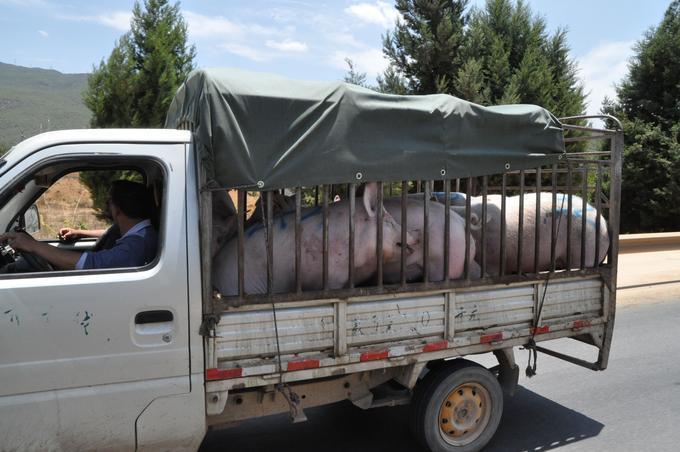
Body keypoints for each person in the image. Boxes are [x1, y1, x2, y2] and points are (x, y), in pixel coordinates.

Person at [0, 180, 158, 271]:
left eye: (109, 201)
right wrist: (79, 232)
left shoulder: (135, 247)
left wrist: (33, 245)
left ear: (117, 210)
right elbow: (108, 232)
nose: (106, 205)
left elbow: (89, 263)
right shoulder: (139, 231)